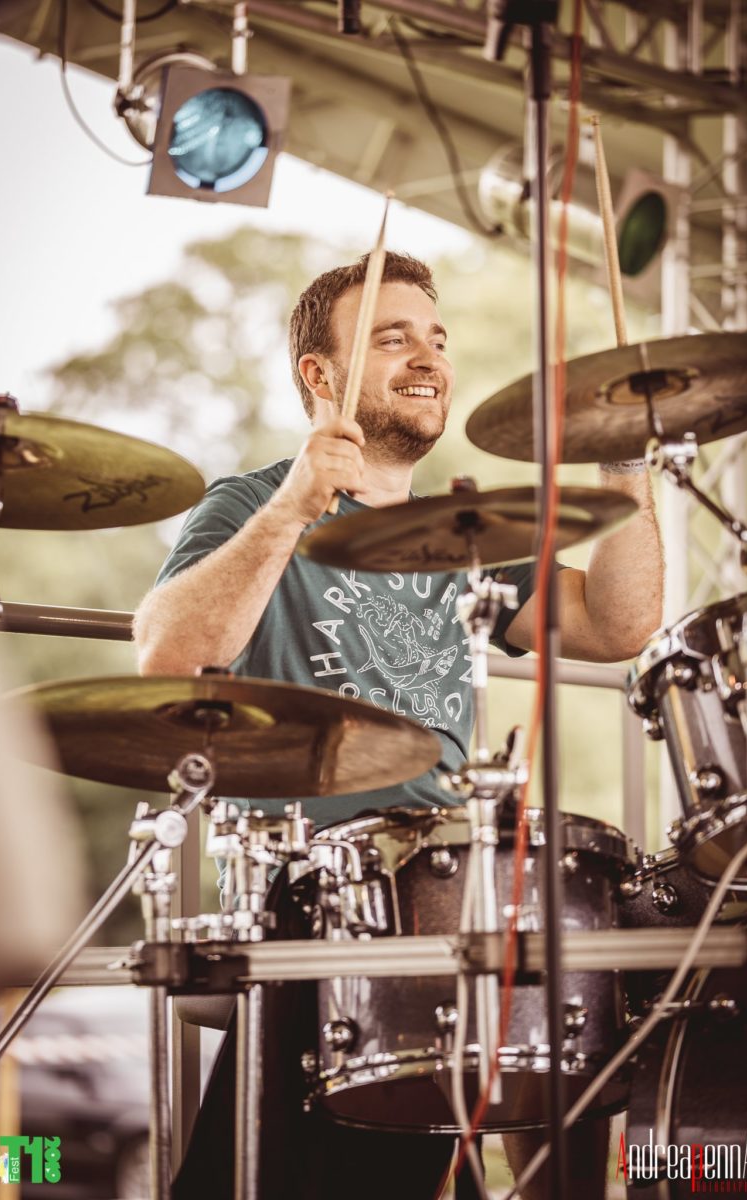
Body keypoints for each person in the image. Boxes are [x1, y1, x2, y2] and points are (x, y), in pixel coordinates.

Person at [134, 251, 663, 1199]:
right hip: (314, 890)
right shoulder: (252, 504)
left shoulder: (464, 532)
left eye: (438, 338)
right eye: (392, 337)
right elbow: (167, 654)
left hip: (458, 890)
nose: (429, 357)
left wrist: (624, 449)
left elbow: (616, 626)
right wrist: (298, 502)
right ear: (320, 377)